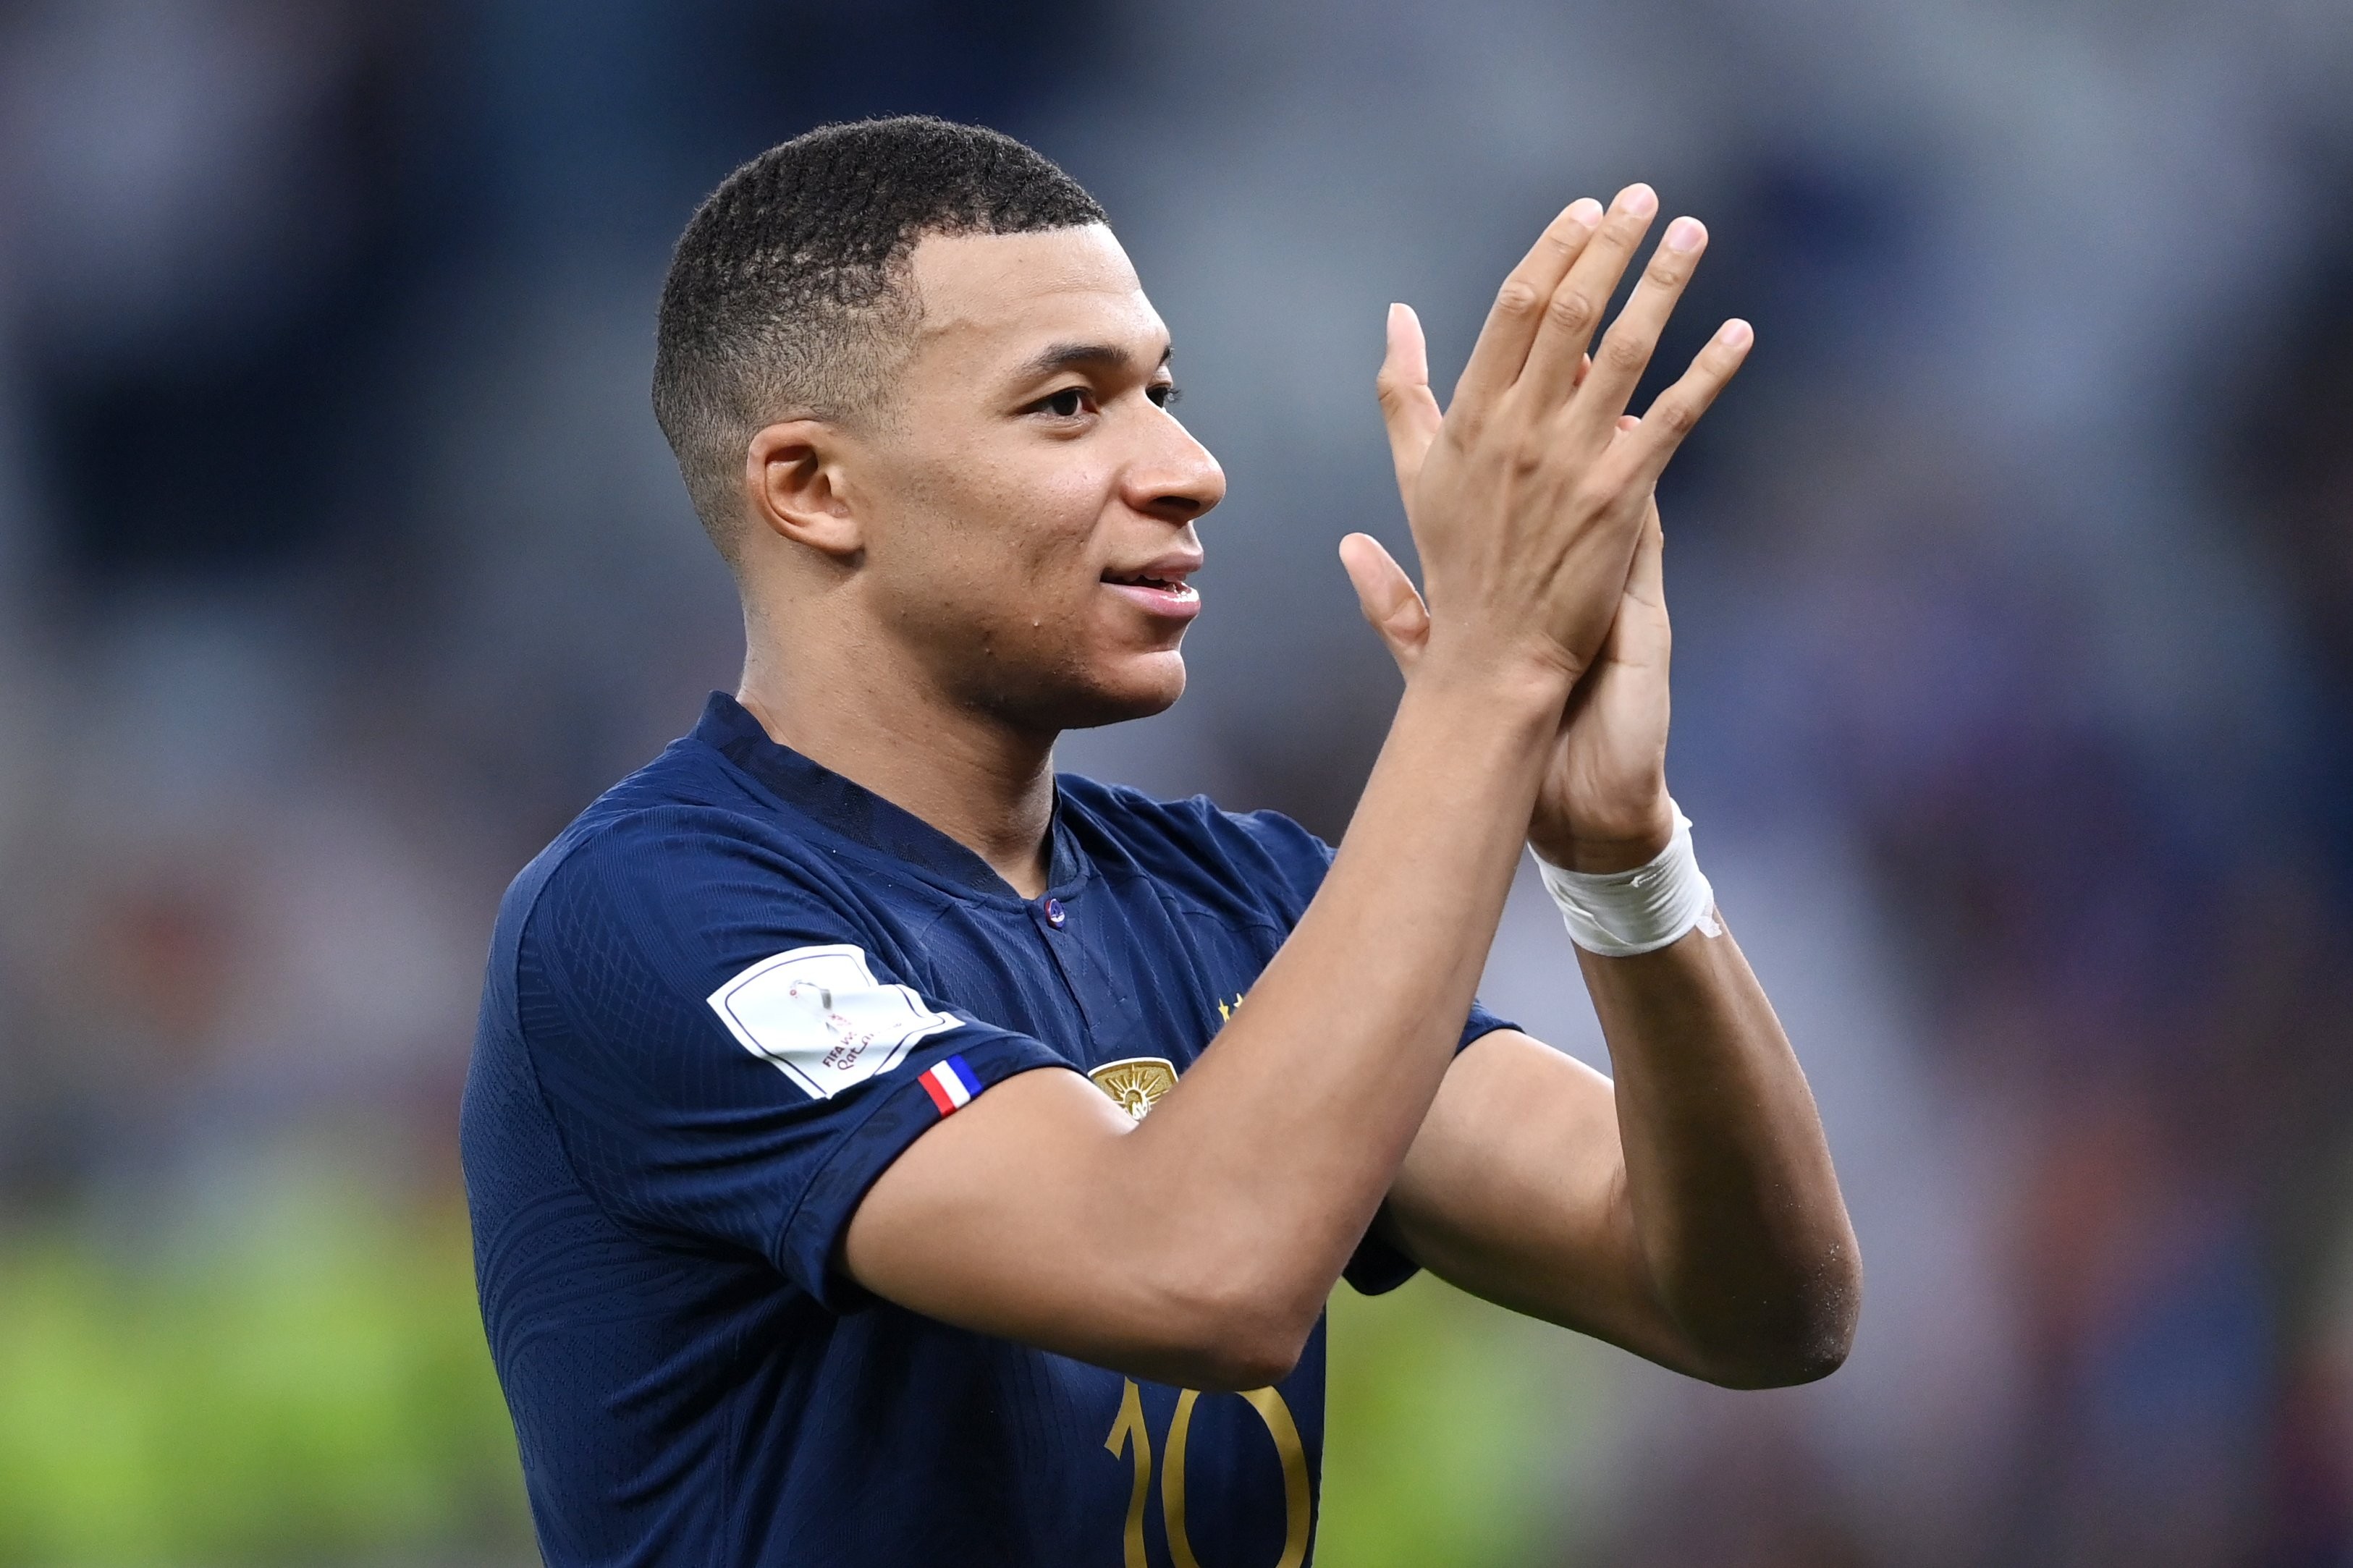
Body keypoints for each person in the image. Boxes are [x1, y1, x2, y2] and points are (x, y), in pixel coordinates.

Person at [462, 114, 1859, 1567]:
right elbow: (1197, 1273)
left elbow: (1766, 1310)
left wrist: (1623, 858)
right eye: (1070, 404)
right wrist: (1484, 683)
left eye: (1164, 392)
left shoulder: (1240, 900)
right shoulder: (650, 917)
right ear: (814, 489)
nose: (1190, 467)